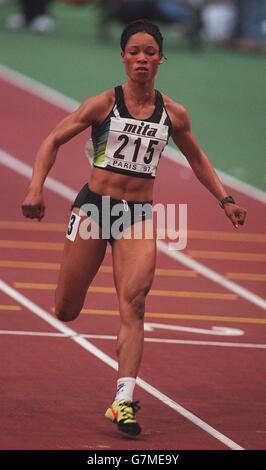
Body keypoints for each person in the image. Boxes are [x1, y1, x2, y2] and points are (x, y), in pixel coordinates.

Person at [21, 19, 247, 437]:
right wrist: (36, 188)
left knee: (136, 303)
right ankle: (113, 381)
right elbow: (52, 139)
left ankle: (123, 400)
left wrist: (225, 199)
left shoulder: (173, 113)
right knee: (66, 310)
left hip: (137, 216)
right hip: (94, 210)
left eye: (150, 52)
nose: (142, 59)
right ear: (123, 57)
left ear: (162, 58)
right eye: (134, 52)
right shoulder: (103, 104)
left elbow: (197, 158)